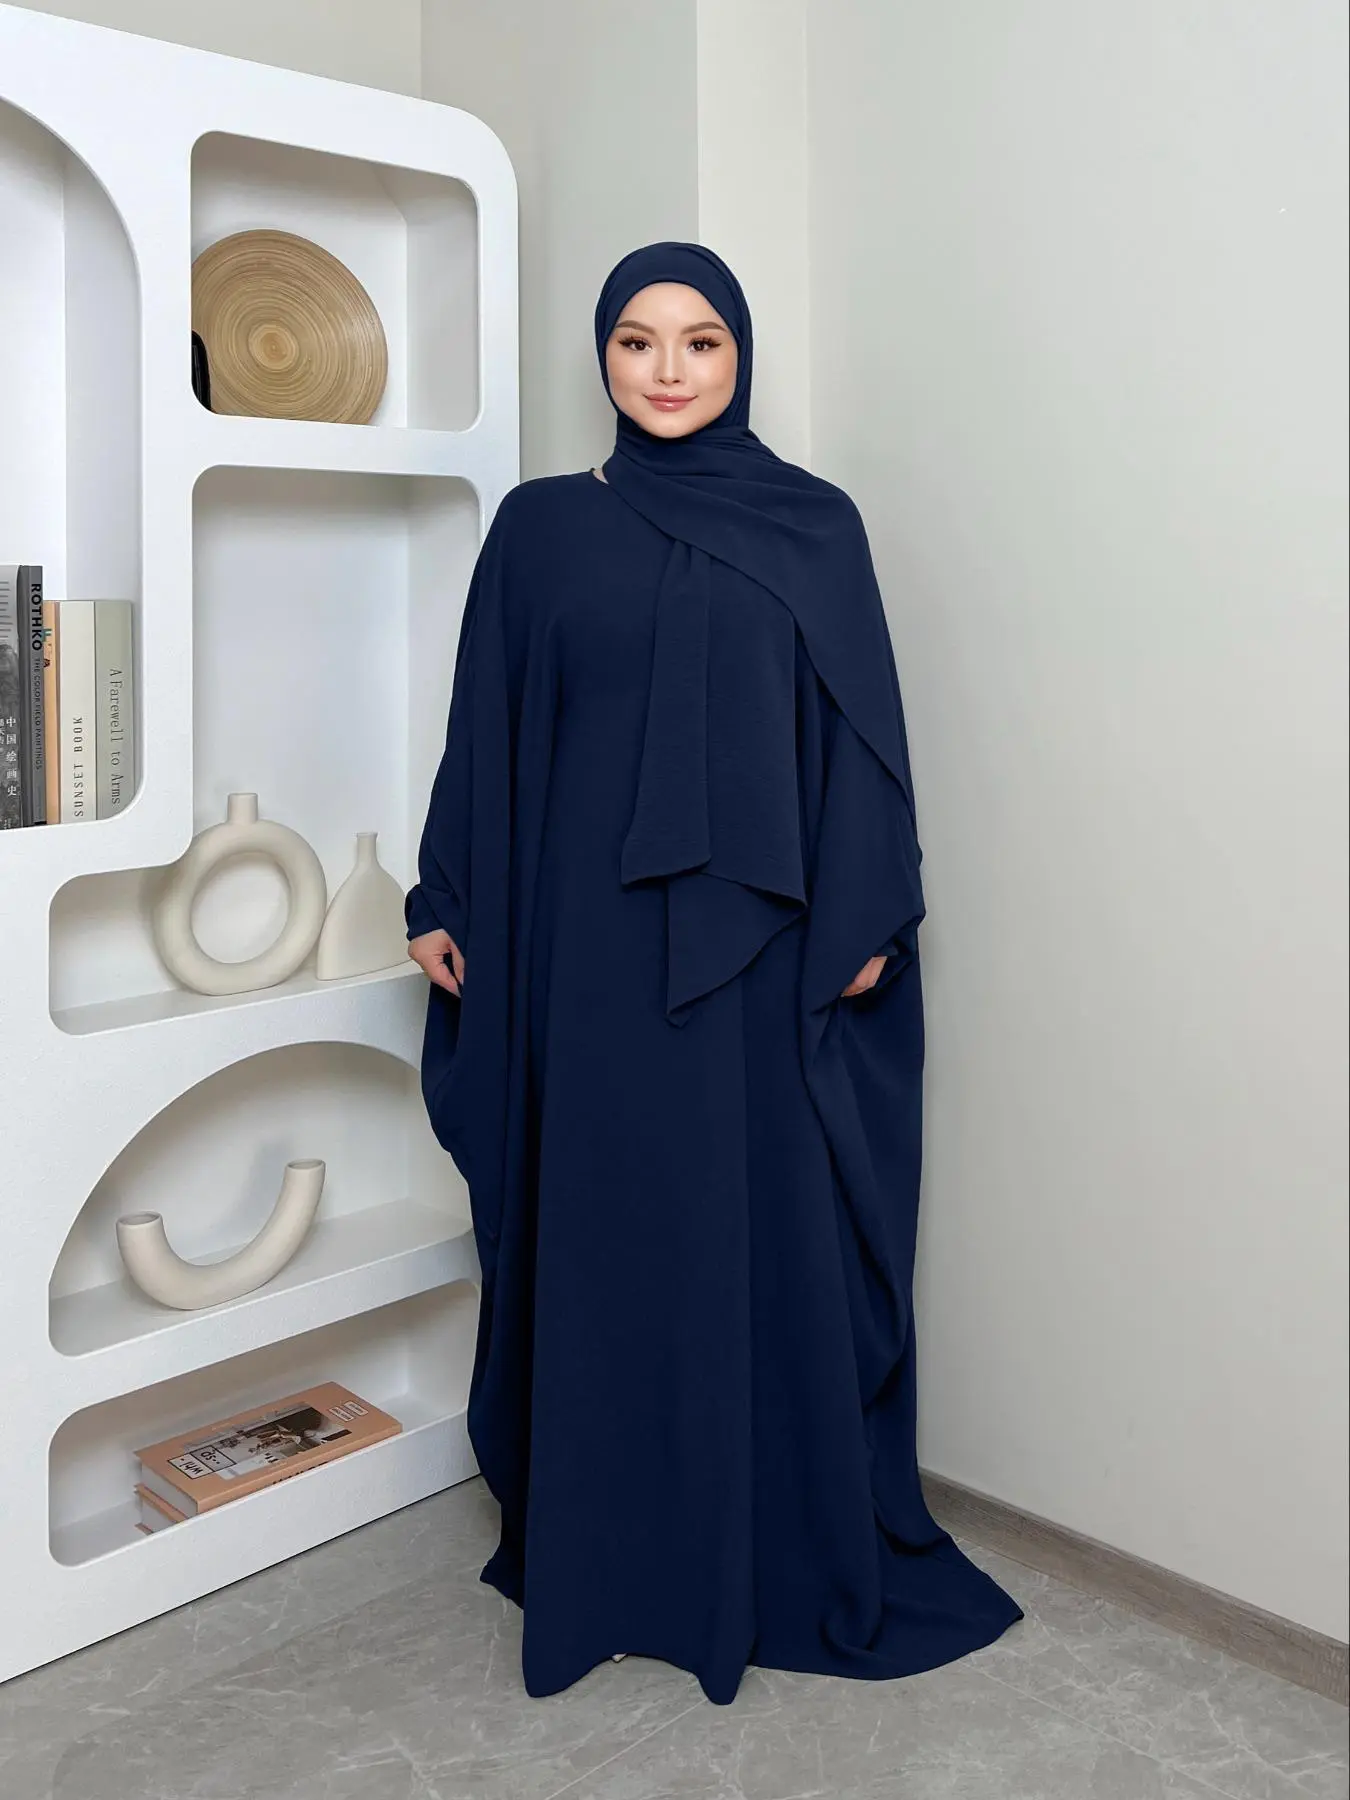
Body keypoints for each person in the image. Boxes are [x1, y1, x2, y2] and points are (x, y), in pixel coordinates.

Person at [404, 242, 1024, 1705]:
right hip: (579, 955)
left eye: (701, 342)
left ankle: (756, 1540)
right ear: (603, 359)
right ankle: (610, 1548)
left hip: (761, 961)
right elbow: (484, 722)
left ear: (739, 358)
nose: (668, 369)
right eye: (637, 341)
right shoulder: (541, 528)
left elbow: (863, 735)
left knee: (746, 1235)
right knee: (605, 1231)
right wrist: (446, 892)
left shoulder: (814, 525)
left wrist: (867, 916)